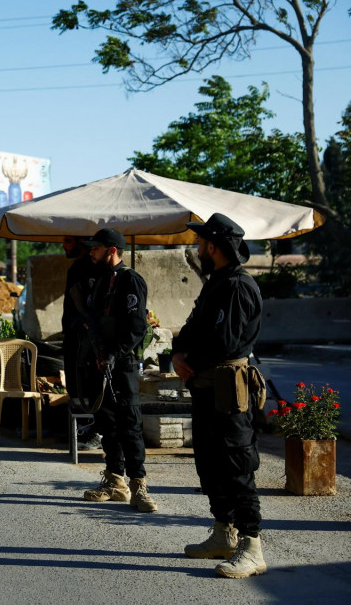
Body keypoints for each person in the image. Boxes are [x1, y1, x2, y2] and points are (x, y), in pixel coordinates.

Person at [172, 213, 267, 578]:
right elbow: (193, 327)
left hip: (229, 390)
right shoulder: (217, 282)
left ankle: (251, 546)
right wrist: (177, 354)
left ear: (213, 246)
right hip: (206, 387)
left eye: (200, 243)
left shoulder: (238, 286)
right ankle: (223, 533)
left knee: (236, 465)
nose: (196, 248)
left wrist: (188, 359)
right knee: (209, 464)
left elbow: (224, 341)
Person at [80, 228, 158, 513]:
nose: (91, 252)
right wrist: (99, 354)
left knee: (130, 427)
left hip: (123, 366)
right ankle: (115, 482)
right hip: (101, 364)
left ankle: (139, 487)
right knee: (108, 426)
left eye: (96, 248)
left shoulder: (130, 280)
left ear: (111, 250)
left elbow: (137, 327)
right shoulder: (101, 281)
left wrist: (113, 355)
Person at [61, 235, 101, 450]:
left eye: (68, 241)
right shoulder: (77, 267)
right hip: (74, 337)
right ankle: (82, 431)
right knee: (76, 386)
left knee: (88, 386)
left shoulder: (94, 269)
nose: (64, 246)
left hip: (86, 340)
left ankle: (93, 432)